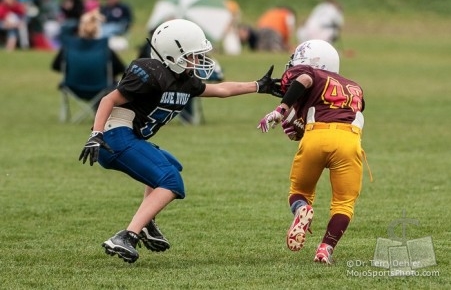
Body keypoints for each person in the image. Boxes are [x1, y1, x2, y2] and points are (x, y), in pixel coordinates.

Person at [78, 19, 280, 263]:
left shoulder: (185, 80)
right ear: (174, 55)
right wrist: (95, 134)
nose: (199, 60)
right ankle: (126, 236)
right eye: (194, 55)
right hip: (114, 137)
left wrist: (258, 86)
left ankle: (145, 223)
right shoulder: (150, 72)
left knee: (171, 166)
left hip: (128, 137)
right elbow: (108, 100)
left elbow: (220, 90)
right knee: (171, 181)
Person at [257, 39, 366, 264]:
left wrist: (281, 109)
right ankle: (325, 248)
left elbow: (305, 80)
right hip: (349, 140)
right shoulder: (354, 86)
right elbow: (343, 109)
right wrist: (299, 120)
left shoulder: (311, 74)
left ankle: (302, 209)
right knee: (344, 202)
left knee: (299, 191)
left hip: (317, 136)